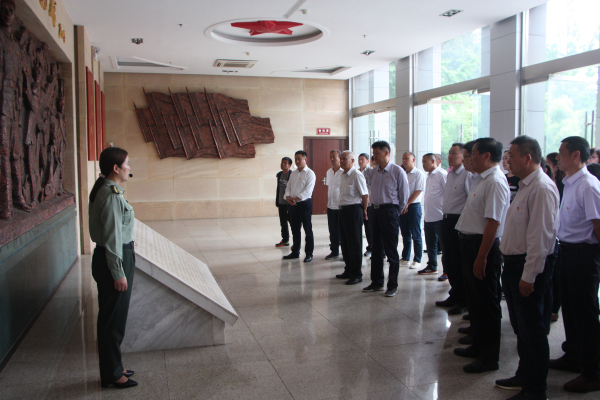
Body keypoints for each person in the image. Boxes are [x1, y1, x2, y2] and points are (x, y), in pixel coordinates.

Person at [497, 136, 559, 400]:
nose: (508, 161)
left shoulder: (542, 188)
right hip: (514, 265)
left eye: (511, 155)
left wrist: (529, 275)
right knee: (521, 328)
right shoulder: (525, 185)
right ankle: (524, 375)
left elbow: (540, 238)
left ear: (528, 157)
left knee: (533, 330)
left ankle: (536, 390)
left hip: (527, 267)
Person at [454, 137, 509, 374]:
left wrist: (482, 256)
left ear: (487, 155)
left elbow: (493, 223)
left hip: (482, 247)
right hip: (471, 244)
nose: (470, 157)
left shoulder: (495, 181)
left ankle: (488, 358)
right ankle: (477, 345)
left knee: (486, 304)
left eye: (474, 153)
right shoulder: (481, 179)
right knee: (475, 301)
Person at [549, 136, 600, 394]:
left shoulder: (589, 186)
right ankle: (574, 355)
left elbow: (597, 225)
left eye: (562, 152)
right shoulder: (570, 182)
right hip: (567, 251)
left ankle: (594, 372)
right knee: (570, 308)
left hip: (584, 255)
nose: (558, 157)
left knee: (585, 313)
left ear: (576, 155)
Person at [88, 147, 137, 389]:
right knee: (112, 320)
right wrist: (118, 272)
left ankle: (115, 365)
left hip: (113, 256)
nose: (129, 168)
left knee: (114, 317)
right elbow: (112, 238)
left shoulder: (109, 190)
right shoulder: (110, 195)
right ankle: (111, 373)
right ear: (116, 168)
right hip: (114, 259)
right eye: (127, 164)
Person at [363, 141, 409, 297]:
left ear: (386, 153)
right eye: (373, 153)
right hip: (374, 211)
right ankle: (377, 282)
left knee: (391, 250)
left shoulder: (397, 171)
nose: (374, 156)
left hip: (389, 212)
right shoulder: (373, 172)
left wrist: (395, 212)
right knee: (376, 248)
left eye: (377, 153)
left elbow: (404, 196)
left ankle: (392, 285)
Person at [436, 143, 471, 315]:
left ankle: (463, 300)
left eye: (454, 153)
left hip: (459, 222)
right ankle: (454, 293)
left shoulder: (467, 174)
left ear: (464, 156)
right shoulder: (450, 174)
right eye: (449, 153)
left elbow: (470, 202)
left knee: (458, 262)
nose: (450, 156)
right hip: (446, 220)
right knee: (448, 260)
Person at [335, 151, 369, 285]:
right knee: (345, 243)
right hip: (342, 210)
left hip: (354, 211)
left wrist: (364, 211)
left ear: (352, 161)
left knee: (354, 244)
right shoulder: (342, 175)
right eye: (341, 159)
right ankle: (348, 270)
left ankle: (356, 274)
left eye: (345, 159)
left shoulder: (357, 175)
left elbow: (365, 195)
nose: (342, 161)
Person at [283, 150, 316, 262]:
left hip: (304, 204)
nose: (297, 161)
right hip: (293, 205)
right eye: (295, 159)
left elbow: (308, 191)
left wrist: (295, 199)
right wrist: (288, 197)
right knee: (295, 230)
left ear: (305, 159)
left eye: (299, 159)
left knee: (307, 230)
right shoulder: (293, 173)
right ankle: (295, 252)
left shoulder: (310, 173)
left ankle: (309, 254)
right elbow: (288, 187)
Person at [420, 153, 447, 275]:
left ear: (433, 161)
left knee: (444, 246)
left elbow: (448, 193)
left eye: (425, 161)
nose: (423, 164)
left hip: (440, 216)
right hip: (429, 217)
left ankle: (447, 271)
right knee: (430, 245)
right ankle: (432, 266)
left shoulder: (441, 174)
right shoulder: (429, 176)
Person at [546, 151, 565, 322]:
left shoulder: (553, 186)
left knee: (555, 277)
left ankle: (553, 308)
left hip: (568, 243)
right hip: (561, 240)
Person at [399, 151, 425, 270]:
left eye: (407, 158)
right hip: (403, 206)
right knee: (405, 234)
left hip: (413, 206)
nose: (404, 160)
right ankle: (405, 257)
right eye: (403, 158)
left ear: (413, 160)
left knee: (416, 234)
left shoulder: (419, 173)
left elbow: (418, 191)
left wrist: (407, 204)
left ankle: (417, 259)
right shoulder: (402, 173)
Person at [325, 150, 343, 259]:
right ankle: (334, 251)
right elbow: (330, 188)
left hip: (341, 206)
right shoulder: (329, 172)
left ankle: (345, 253)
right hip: (331, 206)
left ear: (340, 157)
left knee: (343, 232)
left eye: (334, 156)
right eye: (330, 157)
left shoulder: (344, 171)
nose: (332, 159)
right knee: (332, 230)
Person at [275, 157, 293, 247]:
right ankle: (285, 240)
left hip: (288, 204)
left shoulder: (292, 175)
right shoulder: (279, 175)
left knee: (292, 223)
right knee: (283, 222)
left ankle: (296, 242)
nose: (283, 164)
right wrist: (277, 200)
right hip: (281, 202)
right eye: (282, 162)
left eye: (285, 163)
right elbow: (278, 189)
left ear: (290, 165)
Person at [358, 153, 373, 257]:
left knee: (369, 228)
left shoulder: (371, 172)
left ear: (367, 161)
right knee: (360, 227)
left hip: (369, 203)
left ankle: (371, 247)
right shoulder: (356, 172)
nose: (360, 161)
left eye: (362, 159)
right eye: (359, 159)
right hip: (358, 203)